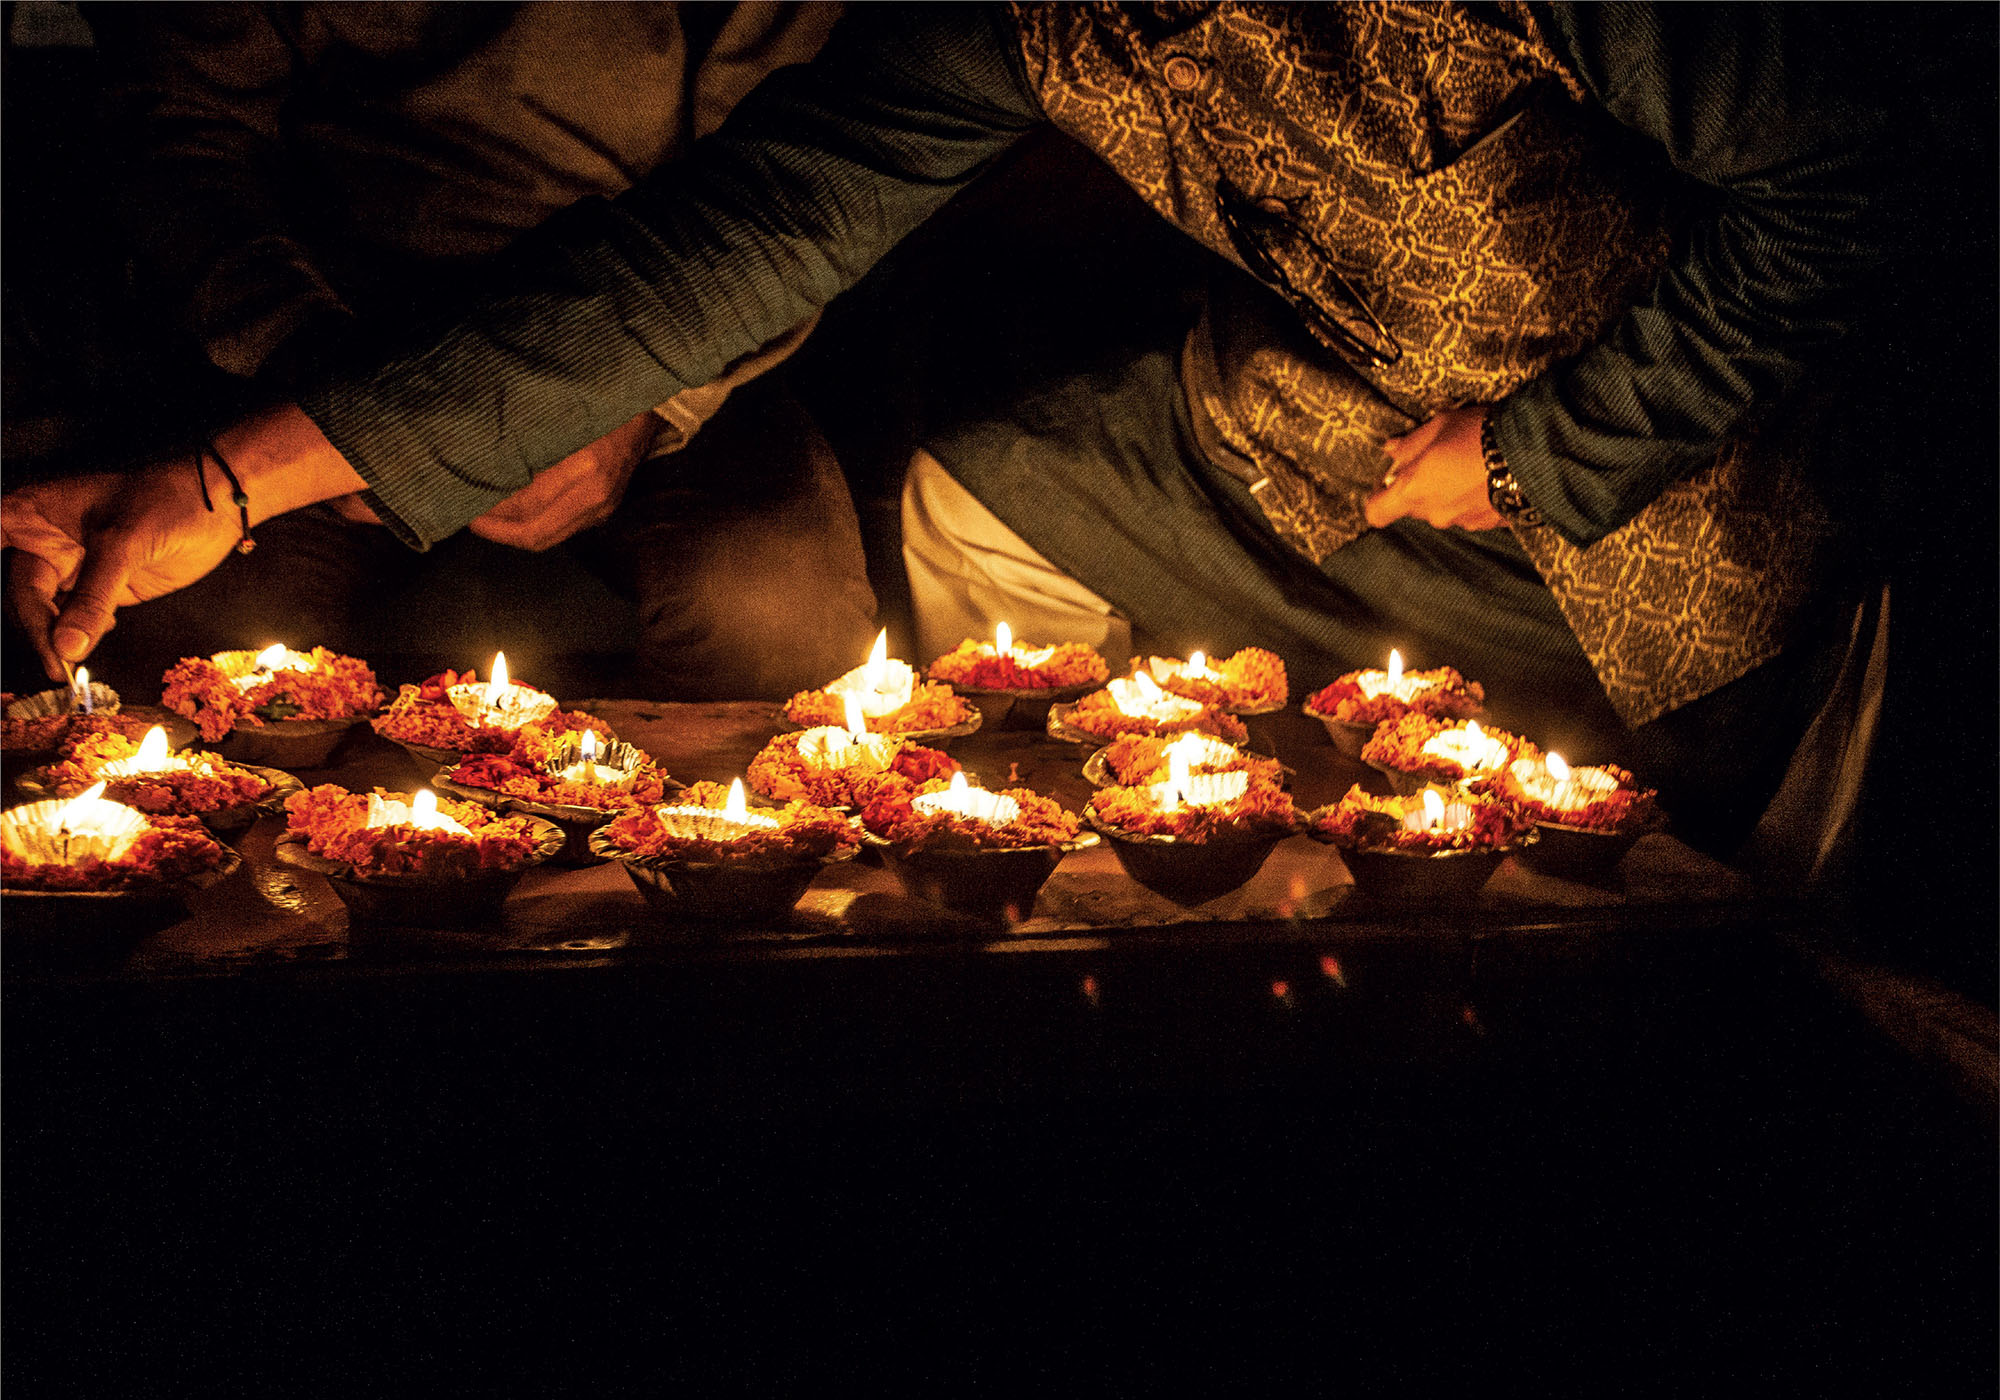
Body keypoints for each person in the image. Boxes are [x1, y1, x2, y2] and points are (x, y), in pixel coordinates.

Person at [5, 3, 1900, 850]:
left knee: (1678, 784)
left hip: (1666, 494)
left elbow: (1853, 169)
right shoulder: (1004, 20)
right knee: (970, 518)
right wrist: (223, 476)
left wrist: (1543, 456)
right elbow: (713, 260)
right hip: (1318, 421)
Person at [61, 0, 877, 697]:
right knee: (194, 634)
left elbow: (807, 184)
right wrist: (330, 403)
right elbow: (178, 127)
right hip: (335, 330)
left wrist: (652, 399)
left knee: (776, 611)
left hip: (683, 329)